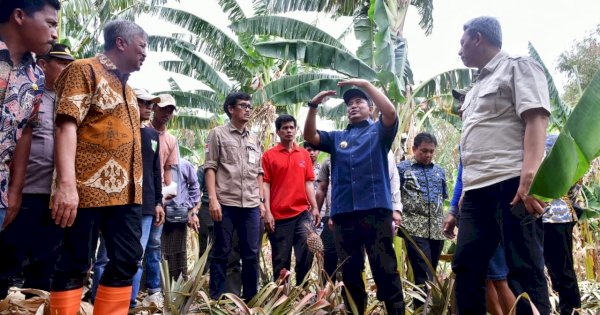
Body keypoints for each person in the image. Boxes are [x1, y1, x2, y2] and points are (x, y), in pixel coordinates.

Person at [451, 16, 552, 314]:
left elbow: (536, 118)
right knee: (467, 267)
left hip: (512, 183)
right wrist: (464, 194)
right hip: (476, 192)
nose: (460, 50)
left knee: (524, 269)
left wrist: (530, 176)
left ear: (478, 38)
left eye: (463, 42)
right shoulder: (475, 87)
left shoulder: (518, 65)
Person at [49, 19, 148, 314]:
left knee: (128, 259)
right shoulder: (84, 70)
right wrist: (66, 185)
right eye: (142, 46)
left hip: (127, 195)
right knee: (75, 261)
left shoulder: (130, 91)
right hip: (85, 190)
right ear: (121, 42)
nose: (146, 53)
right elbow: (66, 125)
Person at [304, 79, 404, 315]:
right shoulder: (337, 137)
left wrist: (366, 85)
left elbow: (390, 112)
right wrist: (313, 106)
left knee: (385, 269)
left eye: (359, 101)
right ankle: (354, 311)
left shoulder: (379, 132)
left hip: (375, 213)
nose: (353, 106)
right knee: (349, 271)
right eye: (349, 103)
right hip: (344, 216)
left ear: (370, 107)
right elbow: (310, 135)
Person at [0, 43, 72, 298]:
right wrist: (13, 191)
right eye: (62, 63)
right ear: (43, 64)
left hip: (54, 198)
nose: (67, 69)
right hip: (24, 191)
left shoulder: (69, 102)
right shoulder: (28, 92)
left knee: (44, 266)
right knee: (8, 259)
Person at [443, 87, 516, 315]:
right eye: (460, 101)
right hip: (471, 211)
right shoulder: (467, 139)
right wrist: (454, 211)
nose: (460, 106)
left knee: (499, 276)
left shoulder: (494, 131)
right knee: (485, 278)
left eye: (465, 100)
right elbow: (462, 180)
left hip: (489, 207)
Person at [90, 88, 165, 309]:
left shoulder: (152, 136)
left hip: (146, 205)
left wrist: (159, 202)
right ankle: (98, 301)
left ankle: (127, 304)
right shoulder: (115, 129)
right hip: (116, 203)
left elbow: (155, 171)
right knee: (106, 256)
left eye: (151, 104)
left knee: (135, 257)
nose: (149, 108)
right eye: (144, 103)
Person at [0, 0, 59, 231]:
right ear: (19, 15)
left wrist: (15, 190)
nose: (55, 34)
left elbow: (25, 132)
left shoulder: (36, 78)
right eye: (50, 24)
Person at [205, 92, 265, 301]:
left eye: (250, 106)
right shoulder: (218, 134)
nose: (248, 109)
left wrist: (261, 202)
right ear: (231, 109)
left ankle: (251, 299)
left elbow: (258, 172)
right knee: (222, 251)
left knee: (251, 253)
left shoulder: (254, 138)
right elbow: (210, 167)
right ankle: (216, 298)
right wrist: (213, 199)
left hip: (250, 204)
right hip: (226, 202)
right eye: (243, 106)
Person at [262, 115, 319, 285]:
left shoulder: (303, 154)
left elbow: (308, 182)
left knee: (308, 250)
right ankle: (281, 296)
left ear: (296, 130)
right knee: (281, 260)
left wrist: (315, 206)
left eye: (291, 127)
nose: (289, 131)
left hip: (302, 213)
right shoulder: (268, 156)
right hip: (279, 217)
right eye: (285, 128)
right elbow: (265, 185)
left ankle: (302, 289)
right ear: (278, 131)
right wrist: (267, 212)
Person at [397, 132, 448, 310]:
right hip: (413, 229)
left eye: (431, 151)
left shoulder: (440, 171)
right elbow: (394, 196)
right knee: (422, 274)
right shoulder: (402, 169)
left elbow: (443, 199)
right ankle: (422, 310)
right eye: (424, 151)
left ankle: (426, 308)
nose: (428, 155)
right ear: (414, 149)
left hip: (436, 229)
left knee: (431, 274)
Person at [542, 135, 581, 315]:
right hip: (558, 216)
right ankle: (568, 307)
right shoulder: (564, 153)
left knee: (559, 266)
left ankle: (570, 308)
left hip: (553, 217)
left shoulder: (537, 148)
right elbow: (575, 188)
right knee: (561, 266)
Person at [162, 156, 200, 280]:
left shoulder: (184, 164)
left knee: (178, 248)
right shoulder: (155, 162)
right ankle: (159, 283)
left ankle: (178, 281)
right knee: (159, 249)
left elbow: (195, 186)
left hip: (177, 215)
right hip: (157, 214)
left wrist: (187, 207)